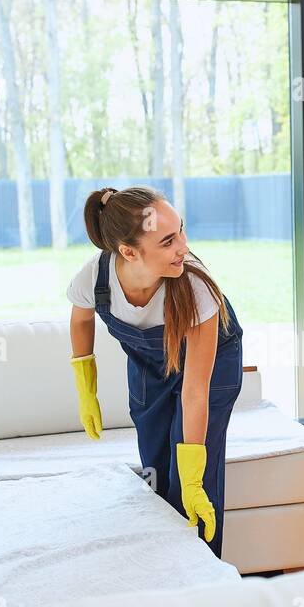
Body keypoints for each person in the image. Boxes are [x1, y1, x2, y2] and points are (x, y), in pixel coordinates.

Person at [67, 186, 244, 558]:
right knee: (155, 468)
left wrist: (193, 479)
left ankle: (203, 576)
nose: (183, 247)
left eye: (181, 230)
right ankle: (162, 565)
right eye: (168, 241)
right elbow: (81, 321)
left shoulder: (194, 286)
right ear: (129, 252)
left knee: (192, 471)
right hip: (150, 366)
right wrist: (86, 390)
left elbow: (195, 392)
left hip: (210, 365)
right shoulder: (95, 279)